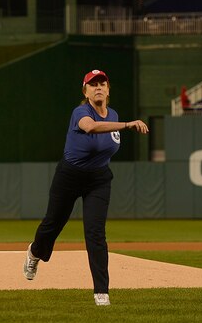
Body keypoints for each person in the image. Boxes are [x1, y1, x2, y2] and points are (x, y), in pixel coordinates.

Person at [23, 69, 149, 306]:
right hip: (69, 176)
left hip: (99, 179)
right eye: (93, 85)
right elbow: (90, 127)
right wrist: (127, 124)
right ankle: (35, 253)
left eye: (102, 83)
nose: (98, 87)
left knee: (95, 233)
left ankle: (101, 291)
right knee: (52, 225)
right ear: (86, 91)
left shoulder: (112, 113)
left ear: (108, 90)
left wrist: (120, 123)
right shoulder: (81, 112)